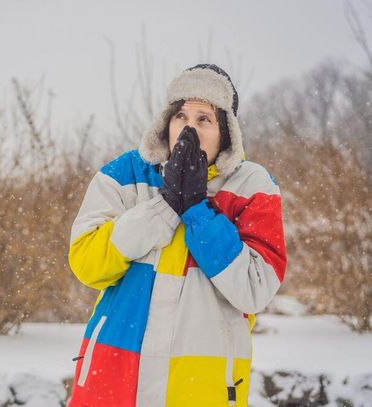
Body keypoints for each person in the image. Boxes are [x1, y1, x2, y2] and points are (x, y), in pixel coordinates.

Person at [66, 64, 287, 407]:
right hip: (113, 381)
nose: (189, 128)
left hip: (202, 390)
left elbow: (255, 289)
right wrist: (164, 207)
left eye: (204, 119)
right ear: (166, 122)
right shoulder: (126, 173)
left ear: (227, 132)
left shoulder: (253, 187)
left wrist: (198, 212)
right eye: (181, 115)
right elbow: (87, 264)